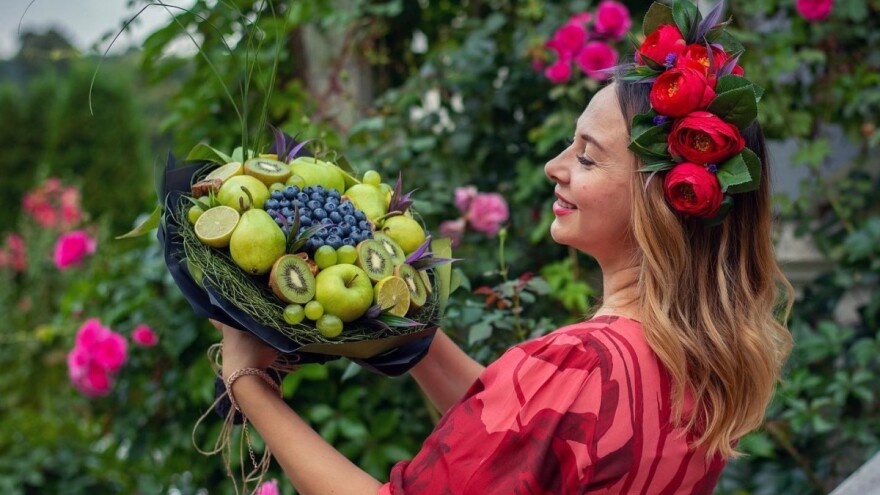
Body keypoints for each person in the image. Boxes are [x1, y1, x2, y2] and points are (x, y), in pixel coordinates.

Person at [212, 6, 793, 493]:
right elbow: (518, 436)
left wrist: (250, 387)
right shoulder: (700, 366)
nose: (554, 167)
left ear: (662, 202)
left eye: (586, 157)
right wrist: (410, 327)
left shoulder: (581, 364)